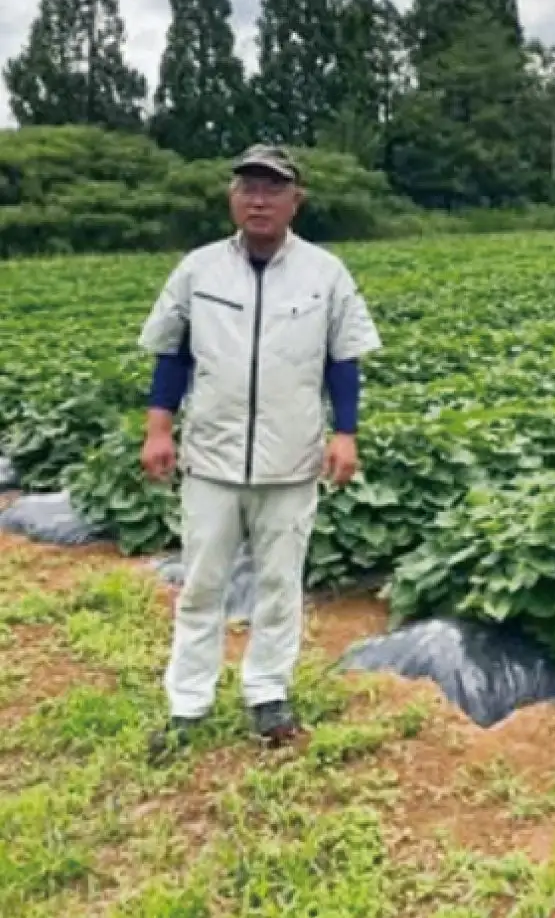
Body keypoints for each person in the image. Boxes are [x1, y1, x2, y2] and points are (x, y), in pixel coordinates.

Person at [138, 144, 381, 759]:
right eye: (248, 187)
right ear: (231, 197)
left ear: (295, 200)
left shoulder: (326, 274)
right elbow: (172, 355)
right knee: (200, 585)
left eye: (273, 188)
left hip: (291, 461)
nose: (259, 198)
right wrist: (158, 429)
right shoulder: (197, 270)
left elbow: (342, 360)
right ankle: (186, 706)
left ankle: (268, 696)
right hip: (212, 459)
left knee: (280, 585)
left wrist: (345, 433)